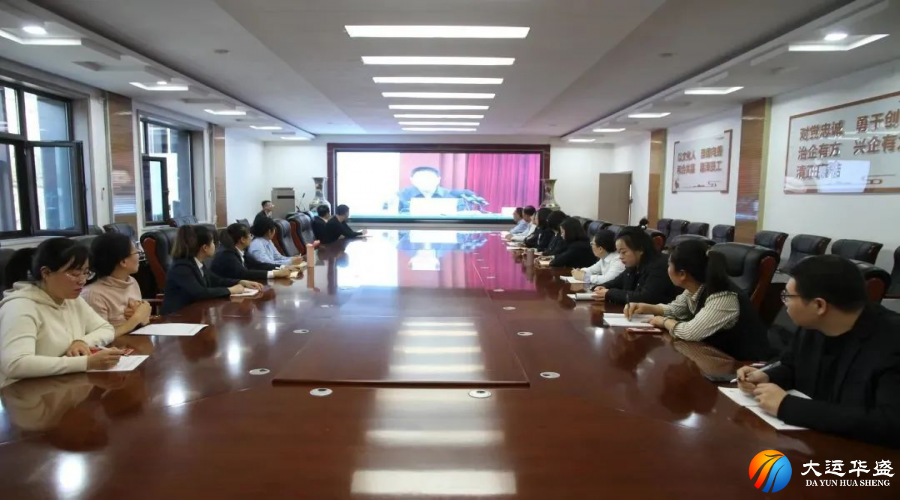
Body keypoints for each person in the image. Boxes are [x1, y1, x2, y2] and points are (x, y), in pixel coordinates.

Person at [736, 255, 900, 447]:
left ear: (819, 305)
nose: (784, 303)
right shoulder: (812, 325)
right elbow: (792, 365)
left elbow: (890, 423)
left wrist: (787, 406)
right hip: (811, 443)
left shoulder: (892, 342)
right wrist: (767, 376)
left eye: (788, 296)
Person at [0, 238, 124, 388]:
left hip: (63, 385)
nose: (82, 281)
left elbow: (106, 328)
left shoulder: (71, 299)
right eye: (74, 274)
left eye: (86, 273)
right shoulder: (19, 307)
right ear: (46, 273)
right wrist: (85, 362)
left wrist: (82, 342)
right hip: (24, 391)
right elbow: (15, 364)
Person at [624, 239, 770, 360]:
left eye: (669, 265)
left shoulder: (723, 297)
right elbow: (676, 309)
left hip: (744, 366)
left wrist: (664, 321)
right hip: (714, 357)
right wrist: (647, 307)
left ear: (682, 274)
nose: (667, 268)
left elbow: (690, 332)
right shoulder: (695, 287)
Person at [161, 225, 263, 315]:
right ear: (205, 247)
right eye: (213, 242)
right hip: (177, 317)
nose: (216, 245)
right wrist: (230, 290)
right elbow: (199, 293)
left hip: (195, 313)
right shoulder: (181, 267)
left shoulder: (197, 263)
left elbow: (217, 280)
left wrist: (241, 282)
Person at [81, 233, 152, 336]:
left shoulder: (131, 281)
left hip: (136, 340)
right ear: (123, 261)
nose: (139, 255)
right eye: (136, 252)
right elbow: (98, 337)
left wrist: (143, 315)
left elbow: (141, 320)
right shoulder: (93, 295)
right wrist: (137, 318)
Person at [591, 226, 680, 304]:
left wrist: (609, 293)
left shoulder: (659, 266)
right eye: (619, 253)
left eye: (624, 252)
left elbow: (646, 297)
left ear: (640, 250)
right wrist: (602, 287)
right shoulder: (633, 265)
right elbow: (616, 282)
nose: (620, 257)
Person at [212, 223, 295, 281]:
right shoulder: (227, 254)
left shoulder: (242, 251)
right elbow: (244, 273)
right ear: (242, 239)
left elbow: (257, 265)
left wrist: (283, 267)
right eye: (250, 235)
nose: (251, 238)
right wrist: (275, 274)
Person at [396, 166, 483, 213]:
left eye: (429, 178)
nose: (425, 181)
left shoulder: (451, 195)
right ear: (412, 180)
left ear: (438, 179)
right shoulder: (400, 196)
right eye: (420, 178)